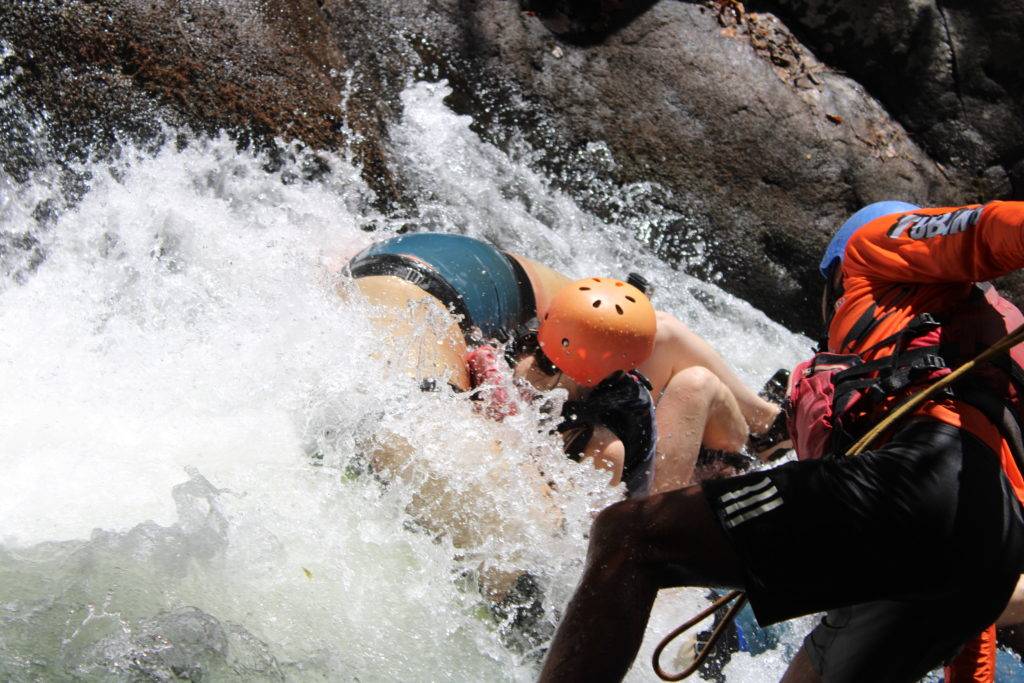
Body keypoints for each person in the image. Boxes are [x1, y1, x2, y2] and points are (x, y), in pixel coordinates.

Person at [538, 200, 1024, 683]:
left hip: (917, 483)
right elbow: (971, 556)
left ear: (834, 279)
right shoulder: (987, 355)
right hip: (985, 554)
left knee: (629, 537)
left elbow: (990, 229)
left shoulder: (876, 241)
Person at [345, 231, 780, 496]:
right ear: (625, 368)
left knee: (685, 366)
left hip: (621, 450)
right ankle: (765, 433)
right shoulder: (605, 445)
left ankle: (766, 430)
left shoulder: (513, 359)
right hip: (641, 478)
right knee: (697, 384)